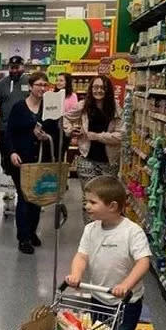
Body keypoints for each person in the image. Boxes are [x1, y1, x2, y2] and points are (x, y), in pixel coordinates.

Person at [65, 176, 150, 330]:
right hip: (99, 299)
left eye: (92, 203)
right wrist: (76, 274)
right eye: (86, 202)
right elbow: (82, 256)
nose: (86, 207)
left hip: (127, 302)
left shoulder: (132, 232)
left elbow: (143, 262)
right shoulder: (90, 230)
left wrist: (127, 284)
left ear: (112, 206)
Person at [7, 71, 62, 254]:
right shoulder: (18, 108)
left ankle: (32, 232)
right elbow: (9, 132)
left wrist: (46, 136)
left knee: (37, 198)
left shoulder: (50, 108)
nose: (42, 88)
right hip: (21, 159)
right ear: (30, 86)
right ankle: (23, 238)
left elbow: (56, 132)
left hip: (41, 159)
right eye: (38, 85)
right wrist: (12, 152)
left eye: (45, 85)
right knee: (24, 197)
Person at [64, 76, 124, 225]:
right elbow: (65, 118)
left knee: (107, 199)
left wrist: (96, 136)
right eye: (95, 87)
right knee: (89, 200)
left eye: (102, 88)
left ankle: (105, 231)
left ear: (108, 90)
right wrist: (71, 129)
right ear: (90, 89)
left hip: (109, 161)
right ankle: (90, 233)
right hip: (86, 159)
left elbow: (120, 136)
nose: (99, 90)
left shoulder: (115, 107)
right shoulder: (83, 105)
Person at [0, 55, 30, 176]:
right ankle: (8, 190)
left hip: (26, 129)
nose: (14, 70)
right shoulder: (0, 85)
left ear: (23, 67)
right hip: (5, 129)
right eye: (11, 67)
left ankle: (22, 190)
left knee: (24, 160)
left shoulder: (30, 82)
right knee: (6, 160)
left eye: (16, 67)